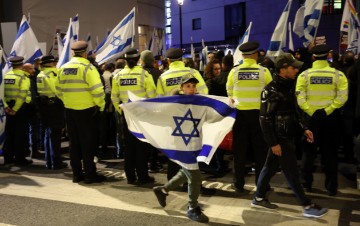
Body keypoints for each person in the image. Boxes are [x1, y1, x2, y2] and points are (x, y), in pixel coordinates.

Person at [252, 53, 328, 218]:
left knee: (269, 167)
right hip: (280, 138)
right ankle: (307, 205)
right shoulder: (270, 90)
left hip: (286, 135)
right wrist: (273, 143)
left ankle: (258, 197)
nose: (296, 70)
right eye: (293, 67)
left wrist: (304, 128)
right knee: (292, 172)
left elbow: (293, 113)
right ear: (282, 69)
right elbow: (265, 120)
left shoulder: (288, 87)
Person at [153, 74, 209, 223]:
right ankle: (192, 207)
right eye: (188, 86)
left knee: (186, 171)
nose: (192, 89)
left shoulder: (199, 102)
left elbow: (210, 114)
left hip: (195, 143)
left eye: (194, 86)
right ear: (182, 88)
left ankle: (163, 190)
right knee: (195, 178)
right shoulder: (175, 104)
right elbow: (159, 113)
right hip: (182, 145)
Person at [296, 44, 348, 196]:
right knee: (330, 154)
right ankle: (331, 187)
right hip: (331, 119)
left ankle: (306, 185)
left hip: (311, 119)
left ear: (313, 57)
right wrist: (328, 110)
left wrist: (311, 111)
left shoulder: (304, 75)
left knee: (308, 152)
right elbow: (342, 96)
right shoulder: (339, 75)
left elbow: (300, 97)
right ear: (328, 56)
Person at [56, 41, 106, 184]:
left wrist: (68, 102)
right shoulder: (87, 68)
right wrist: (100, 106)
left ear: (73, 53)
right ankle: (90, 175)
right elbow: (97, 90)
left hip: (70, 110)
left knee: (74, 143)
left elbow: (58, 91)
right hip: (87, 111)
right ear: (85, 53)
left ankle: (77, 175)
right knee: (88, 144)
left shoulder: (63, 68)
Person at [226, 41, 273, 193]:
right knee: (260, 151)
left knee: (239, 151)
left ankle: (238, 183)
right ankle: (262, 184)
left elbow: (229, 92)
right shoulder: (264, 72)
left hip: (240, 115)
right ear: (254, 54)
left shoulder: (234, 72)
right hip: (259, 116)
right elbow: (270, 93)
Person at [157, 47, 208, 181]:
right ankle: (191, 182)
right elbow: (204, 93)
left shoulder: (163, 77)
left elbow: (159, 100)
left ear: (168, 61)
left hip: (173, 119)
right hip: (192, 119)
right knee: (192, 150)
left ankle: (173, 180)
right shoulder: (193, 73)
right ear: (181, 60)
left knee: (174, 149)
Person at [111, 48, 156, 185]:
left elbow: (114, 98)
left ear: (125, 60)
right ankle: (143, 177)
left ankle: (130, 176)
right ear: (138, 60)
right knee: (142, 148)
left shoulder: (118, 76)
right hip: (141, 118)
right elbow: (152, 97)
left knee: (128, 148)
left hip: (127, 117)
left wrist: (121, 112)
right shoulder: (144, 75)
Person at [37, 55, 67, 169]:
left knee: (48, 135)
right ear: (49, 63)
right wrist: (66, 102)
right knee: (55, 135)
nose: (55, 64)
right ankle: (56, 162)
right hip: (54, 106)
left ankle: (49, 161)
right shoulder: (52, 74)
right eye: (54, 62)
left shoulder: (40, 74)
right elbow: (57, 90)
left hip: (45, 106)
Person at [3, 56, 33, 165]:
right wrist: (15, 109)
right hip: (19, 108)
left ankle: (8, 158)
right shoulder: (23, 77)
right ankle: (20, 159)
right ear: (21, 65)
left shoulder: (6, 75)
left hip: (8, 108)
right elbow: (22, 94)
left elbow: (2, 93)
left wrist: (6, 107)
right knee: (20, 134)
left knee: (9, 133)